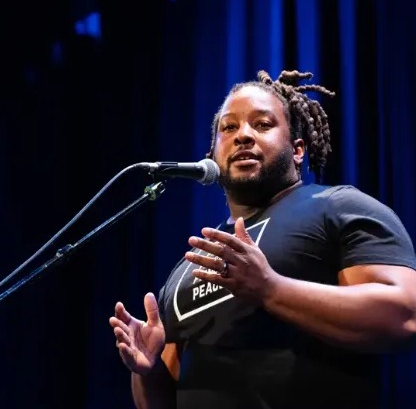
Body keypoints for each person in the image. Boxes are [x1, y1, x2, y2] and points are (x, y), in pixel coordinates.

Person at [109, 69, 416, 409]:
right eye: (229, 127)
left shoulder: (338, 207)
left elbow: (404, 315)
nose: (243, 135)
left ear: (298, 150)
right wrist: (148, 370)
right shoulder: (190, 266)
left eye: (263, 124)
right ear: (212, 157)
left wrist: (271, 289)